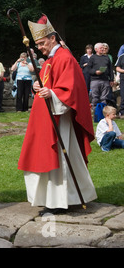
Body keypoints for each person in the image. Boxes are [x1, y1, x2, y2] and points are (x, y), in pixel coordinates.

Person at [18, 15, 97, 216]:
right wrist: (39, 86)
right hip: (47, 117)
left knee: (59, 159)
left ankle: (57, 201)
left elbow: (70, 90)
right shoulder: (52, 59)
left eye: (42, 43)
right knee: (56, 157)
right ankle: (71, 197)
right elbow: (48, 82)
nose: (39, 48)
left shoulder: (65, 58)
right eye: (37, 45)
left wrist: (52, 93)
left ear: (52, 38)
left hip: (59, 119)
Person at [88, 42, 114, 109]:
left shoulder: (107, 57)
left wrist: (111, 79)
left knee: (104, 98)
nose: (102, 49)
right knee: (95, 97)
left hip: (105, 80)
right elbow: (88, 69)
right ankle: (95, 112)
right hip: (95, 80)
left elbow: (110, 69)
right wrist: (96, 72)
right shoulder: (92, 58)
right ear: (96, 49)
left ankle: (103, 111)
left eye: (103, 48)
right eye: (101, 48)